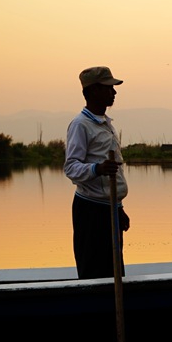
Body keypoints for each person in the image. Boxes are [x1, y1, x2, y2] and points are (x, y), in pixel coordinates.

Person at [64, 66, 130, 278]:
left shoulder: (105, 124)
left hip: (110, 209)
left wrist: (119, 208)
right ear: (93, 91)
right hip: (91, 211)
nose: (114, 92)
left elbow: (114, 174)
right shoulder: (80, 125)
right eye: (108, 88)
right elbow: (71, 167)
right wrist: (97, 168)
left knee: (114, 270)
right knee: (93, 271)